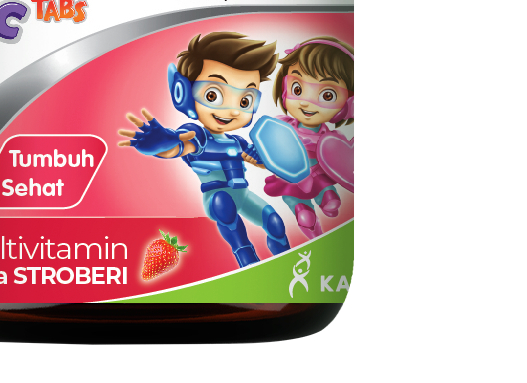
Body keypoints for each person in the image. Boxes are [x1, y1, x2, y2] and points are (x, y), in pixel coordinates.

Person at [118, 31, 290, 267]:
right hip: (217, 198)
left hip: (243, 196)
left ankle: (286, 263)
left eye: (245, 100)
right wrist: (160, 143)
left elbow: (258, 159)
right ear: (185, 94)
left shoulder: (236, 141)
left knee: (275, 224)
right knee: (224, 206)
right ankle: (247, 260)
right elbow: (180, 146)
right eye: (213, 94)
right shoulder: (198, 135)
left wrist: (274, 161)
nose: (233, 111)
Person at [263, 37, 354, 240]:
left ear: (348, 103)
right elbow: (269, 147)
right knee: (296, 195)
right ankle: (307, 208)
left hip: (309, 175)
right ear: (284, 87)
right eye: (298, 89)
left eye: (327, 95)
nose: (306, 103)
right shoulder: (282, 125)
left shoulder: (332, 139)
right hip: (293, 174)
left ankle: (323, 199)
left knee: (310, 188)